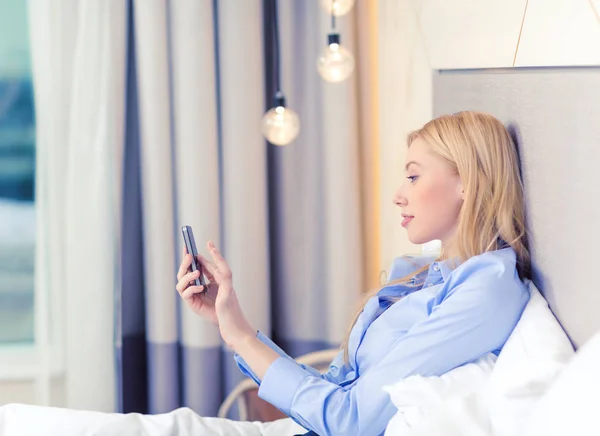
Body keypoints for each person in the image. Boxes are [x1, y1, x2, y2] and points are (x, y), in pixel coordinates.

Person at [175, 111, 531, 436]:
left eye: (413, 176)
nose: (398, 195)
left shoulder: (484, 292)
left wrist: (242, 339)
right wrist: (233, 325)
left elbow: (349, 421)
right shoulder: (424, 276)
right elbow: (335, 391)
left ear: (466, 182)